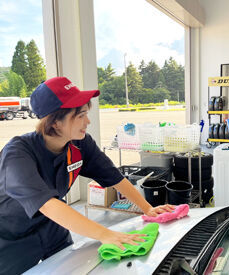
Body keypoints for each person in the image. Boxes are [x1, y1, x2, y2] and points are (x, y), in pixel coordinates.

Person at [0, 77, 175, 274]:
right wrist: (105, 234)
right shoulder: (17, 153)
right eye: (81, 115)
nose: (88, 121)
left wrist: (147, 209)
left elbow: (114, 177)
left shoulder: (79, 144)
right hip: (11, 235)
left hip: (53, 224)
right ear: (55, 122)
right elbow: (46, 204)